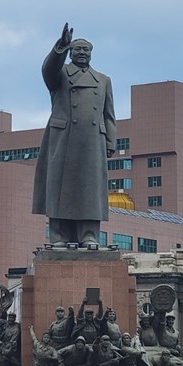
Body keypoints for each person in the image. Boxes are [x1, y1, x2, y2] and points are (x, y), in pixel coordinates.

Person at [32, 22, 117, 248]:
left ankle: (89, 235)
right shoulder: (60, 74)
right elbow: (48, 69)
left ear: (91, 53)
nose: (82, 53)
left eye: (86, 49)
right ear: (70, 52)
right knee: (60, 188)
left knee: (91, 191)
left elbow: (109, 114)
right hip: (63, 137)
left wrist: (110, 141)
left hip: (92, 140)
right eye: (77, 49)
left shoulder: (103, 80)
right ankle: (59, 236)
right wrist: (61, 45)